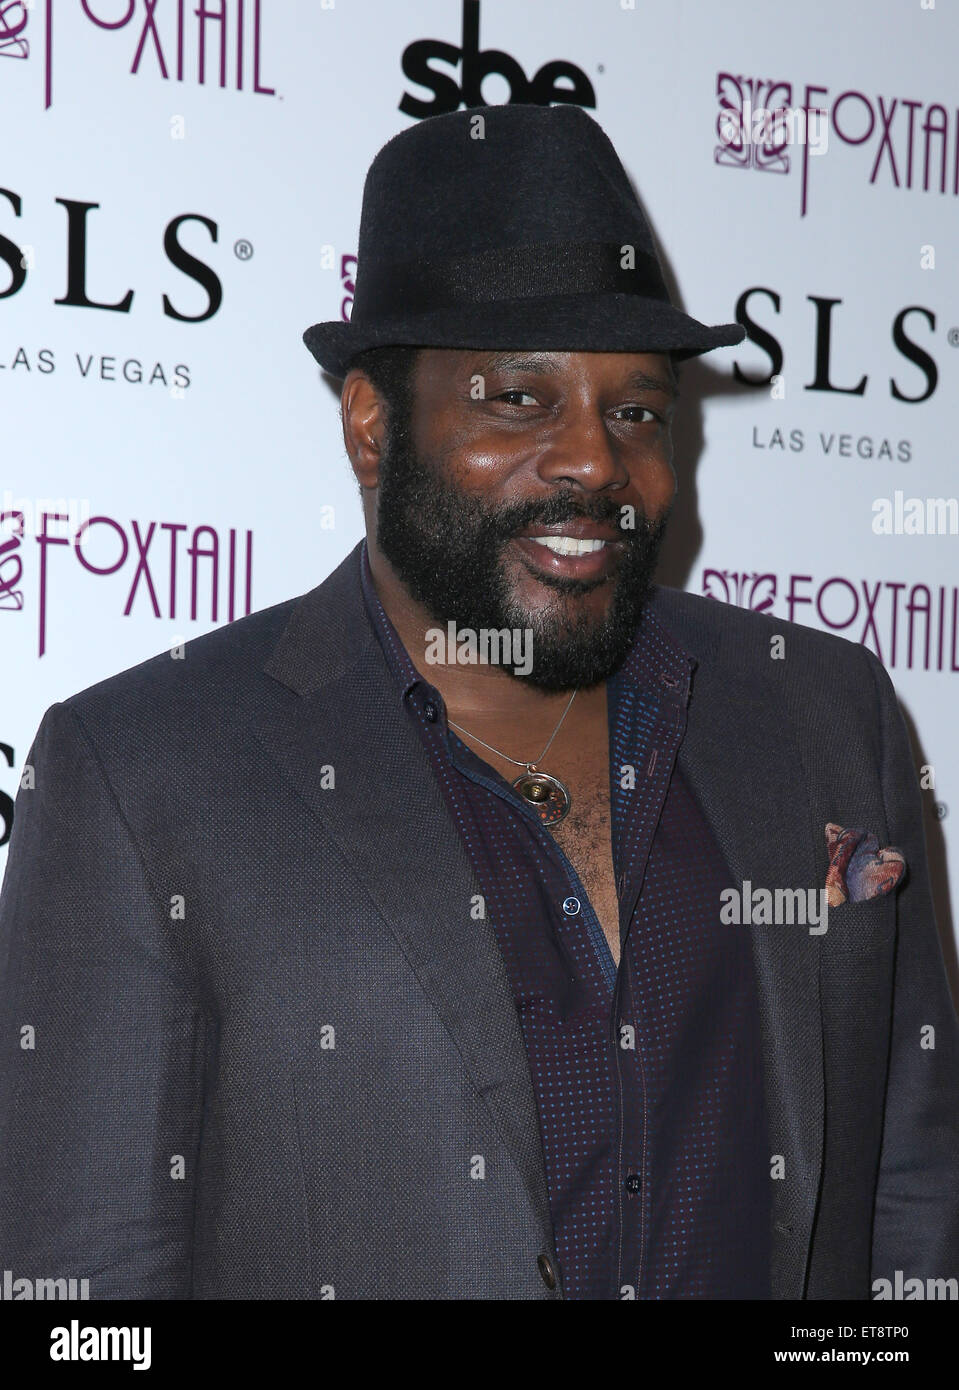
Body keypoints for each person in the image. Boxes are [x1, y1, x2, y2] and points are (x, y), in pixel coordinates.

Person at [1, 103, 957, 1301]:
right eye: (517, 397)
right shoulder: (141, 773)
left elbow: (910, 1194)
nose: (593, 460)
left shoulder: (821, 709)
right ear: (372, 426)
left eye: (635, 409)